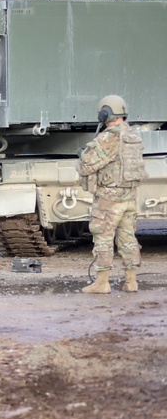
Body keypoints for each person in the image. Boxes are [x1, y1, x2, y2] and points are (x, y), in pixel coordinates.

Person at [77, 94, 147, 294]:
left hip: (109, 198)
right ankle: (131, 281)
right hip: (129, 196)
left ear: (105, 113)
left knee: (103, 237)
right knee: (128, 238)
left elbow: (86, 165)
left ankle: (102, 282)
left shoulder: (109, 137)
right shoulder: (132, 135)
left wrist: (81, 155)